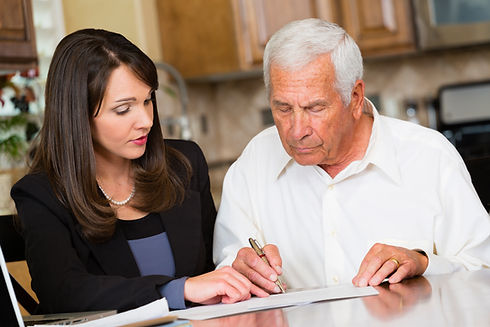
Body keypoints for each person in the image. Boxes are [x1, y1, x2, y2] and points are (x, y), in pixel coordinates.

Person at [213, 19, 490, 293]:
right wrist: (240, 272)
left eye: (315, 108)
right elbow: (226, 275)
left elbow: (483, 270)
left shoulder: (429, 156)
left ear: (355, 97)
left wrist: (423, 263)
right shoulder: (254, 162)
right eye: (283, 108)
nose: (297, 131)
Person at [11, 28, 265, 314]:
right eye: (123, 109)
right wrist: (176, 290)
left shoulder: (184, 164)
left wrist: (238, 266)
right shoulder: (41, 195)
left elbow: (212, 267)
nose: (145, 120)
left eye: (147, 101)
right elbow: (62, 292)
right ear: (77, 116)